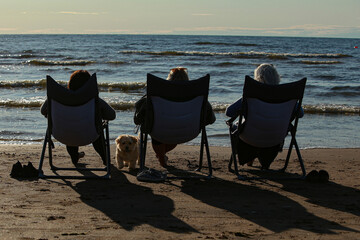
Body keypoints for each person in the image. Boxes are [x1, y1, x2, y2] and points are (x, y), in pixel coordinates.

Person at [134, 67, 216, 168]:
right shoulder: (198, 97)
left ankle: (161, 157)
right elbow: (211, 119)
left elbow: (138, 117)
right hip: (188, 132)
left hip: (159, 132)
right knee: (175, 129)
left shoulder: (155, 95)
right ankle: (162, 156)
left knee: (155, 129)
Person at [226, 63, 303, 169]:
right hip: (276, 137)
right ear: (276, 77)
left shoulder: (252, 93)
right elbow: (300, 114)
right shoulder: (287, 94)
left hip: (250, 136)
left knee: (235, 125)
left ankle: (249, 157)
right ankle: (264, 158)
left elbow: (229, 112)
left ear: (258, 78)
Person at [40, 70, 116, 165]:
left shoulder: (57, 97)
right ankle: (105, 160)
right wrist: (99, 114)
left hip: (62, 135)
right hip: (90, 135)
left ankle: (74, 156)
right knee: (97, 127)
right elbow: (112, 115)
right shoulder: (94, 99)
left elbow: (43, 111)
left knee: (69, 126)